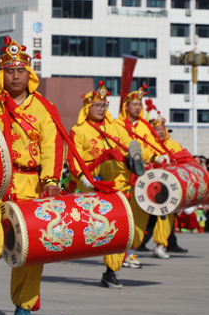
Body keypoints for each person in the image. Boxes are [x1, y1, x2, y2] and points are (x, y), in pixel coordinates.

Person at [0, 38, 63, 315]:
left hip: (32, 180)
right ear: (1, 73)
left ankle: (24, 307)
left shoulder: (44, 108)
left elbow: (52, 145)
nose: (16, 76)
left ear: (29, 73)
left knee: (32, 247)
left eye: (21, 70)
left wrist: (51, 180)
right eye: (10, 71)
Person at [67, 82, 148, 285]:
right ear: (87, 108)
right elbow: (74, 158)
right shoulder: (79, 130)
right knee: (117, 226)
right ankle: (111, 270)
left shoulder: (114, 128)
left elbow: (130, 145)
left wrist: (151, 157)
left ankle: (134, 168)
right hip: (93, 176)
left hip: (121, 180)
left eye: (105, 105)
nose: (102, 109)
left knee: (134, 228)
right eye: (98, 105)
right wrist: (81, 175)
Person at [115, 86, 174, 259]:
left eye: (139, 104)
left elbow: (150, 150)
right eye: (134, 104)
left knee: (140, 218)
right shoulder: (116, 125)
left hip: (142, 178)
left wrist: (157, 157)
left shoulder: (145, 127)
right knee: (123, 218)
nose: (137, 107)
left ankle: (131, 254)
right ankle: (117, 257)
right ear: (126, 106)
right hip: (122, 177)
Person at [145, 114, 190, 255]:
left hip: (170, 188)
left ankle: (161, 245)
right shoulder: (148, 146)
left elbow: (184, 161)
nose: (161, 132)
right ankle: (133, 247)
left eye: (163, 128)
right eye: (157, 129)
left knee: (166, 216)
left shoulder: (174, 145)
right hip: (151, 187)